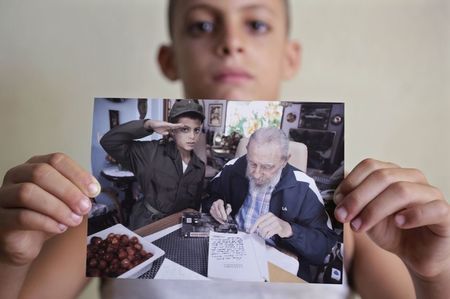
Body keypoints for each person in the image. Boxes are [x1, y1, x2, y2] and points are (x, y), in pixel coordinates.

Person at [0, 0, 448, 298]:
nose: (230, 42)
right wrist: (9, 258)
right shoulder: (215, 169)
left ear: (290, 56)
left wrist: (435, 273)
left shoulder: (345, 204)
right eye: (202, 25)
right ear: (169, 57)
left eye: (256, 24)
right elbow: (213, 191)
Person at [205, 127, 338, 282]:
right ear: (247, 150)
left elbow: (324, 248)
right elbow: (209, 196)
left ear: (284, 160)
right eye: (252, 163)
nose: (255, 173)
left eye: (267, 167)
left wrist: (288, 229)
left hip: (277, 260)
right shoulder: (232, 167)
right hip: (232, 250)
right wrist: (214, 205)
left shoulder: (305, 187)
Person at [100, 99, 206, 230]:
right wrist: (148, 125)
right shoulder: (151, 153)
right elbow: (109, 141)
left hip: (179, 228)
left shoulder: (199, 167)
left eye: (196, 130)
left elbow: (194, 206)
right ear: (172, 130)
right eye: (185, 129)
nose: (192, 136)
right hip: (148, 224)